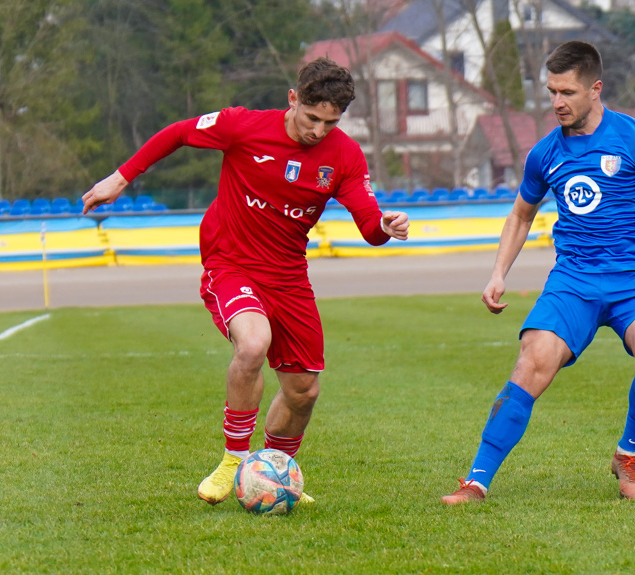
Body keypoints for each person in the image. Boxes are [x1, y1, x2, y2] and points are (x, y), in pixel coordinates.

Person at [441, 41, 635, 504]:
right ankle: (476, 481)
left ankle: (627, 454)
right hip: (573, 282)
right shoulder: (544, 154)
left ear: (595, 89)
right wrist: (498, 273)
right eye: (551, 91)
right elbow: (520, 215)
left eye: (567, 92)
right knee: (533, 360)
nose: (556, 102)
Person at [82, 57, 410, 506]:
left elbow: (370, 227)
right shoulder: (242, 126)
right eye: (311, 117)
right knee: (253, 344)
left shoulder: (344, 156)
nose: (318, 130)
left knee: (303, 391)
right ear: (292, 99)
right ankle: (234, 461)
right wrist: (121, 178)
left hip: (289, 274)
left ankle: (271, 475)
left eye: (329, 123)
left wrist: (387, 226)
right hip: (231, 261)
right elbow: (178, 132)